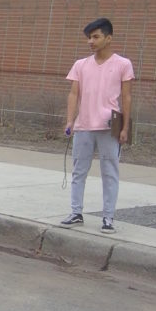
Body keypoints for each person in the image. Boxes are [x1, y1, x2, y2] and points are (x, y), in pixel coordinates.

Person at [60, 17, 134, 234]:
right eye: (89, 37)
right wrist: (70, 120)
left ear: (108, 38)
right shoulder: (80, 65)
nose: (91, 41)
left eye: (96, 37)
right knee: (78, 171)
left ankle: (108, 217)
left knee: (109, 171)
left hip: (109, 126)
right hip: (84, 126)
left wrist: (125, 128)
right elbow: (74, 93)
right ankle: (76, 212)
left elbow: (127, 97)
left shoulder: (123, 64)